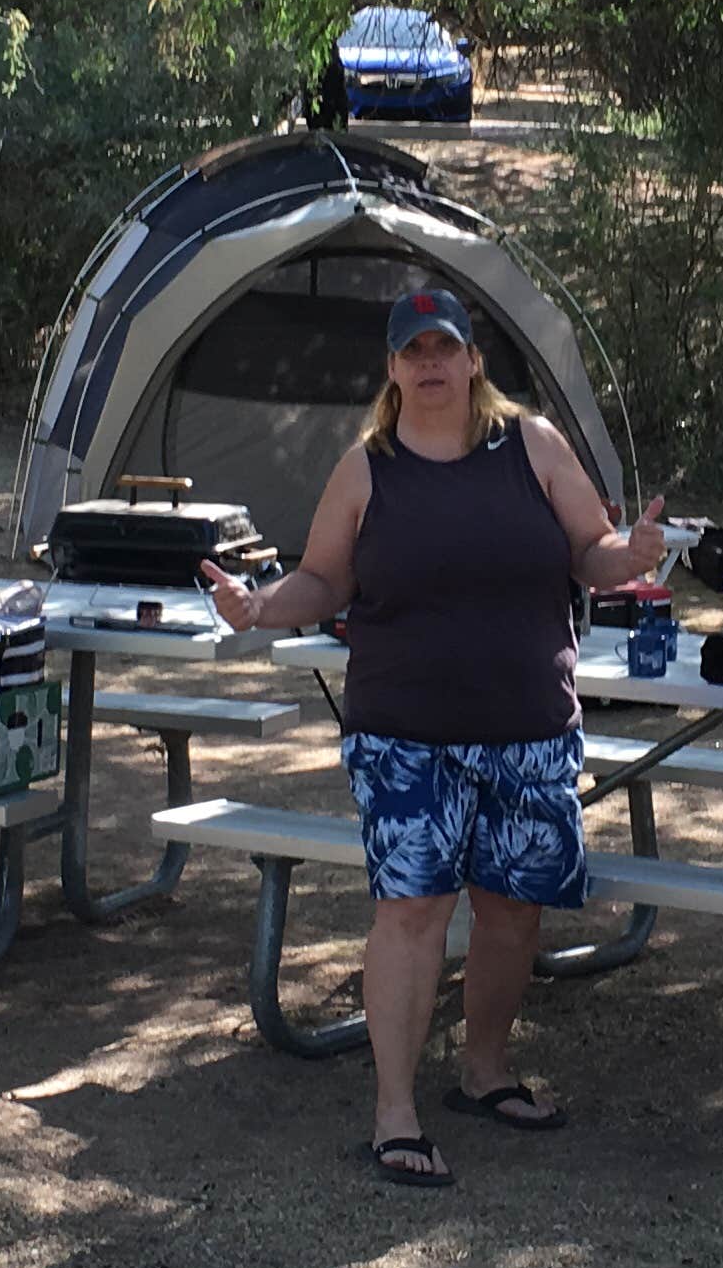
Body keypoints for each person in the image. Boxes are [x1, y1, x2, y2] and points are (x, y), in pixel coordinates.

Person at [204, 285, 666, 1189]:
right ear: (390, 369)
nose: (429, 365)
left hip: (528, 730)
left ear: (473, 360)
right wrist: (258, 608)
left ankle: (485, 1072)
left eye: (443, 348)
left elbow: (593, 552)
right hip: (405, 736)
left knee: (511, 910)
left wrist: (634, 557)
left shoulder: (531, 446)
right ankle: (396, 1115)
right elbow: (321, 582)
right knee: (412, 915)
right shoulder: (367, 468)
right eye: (412, 352)